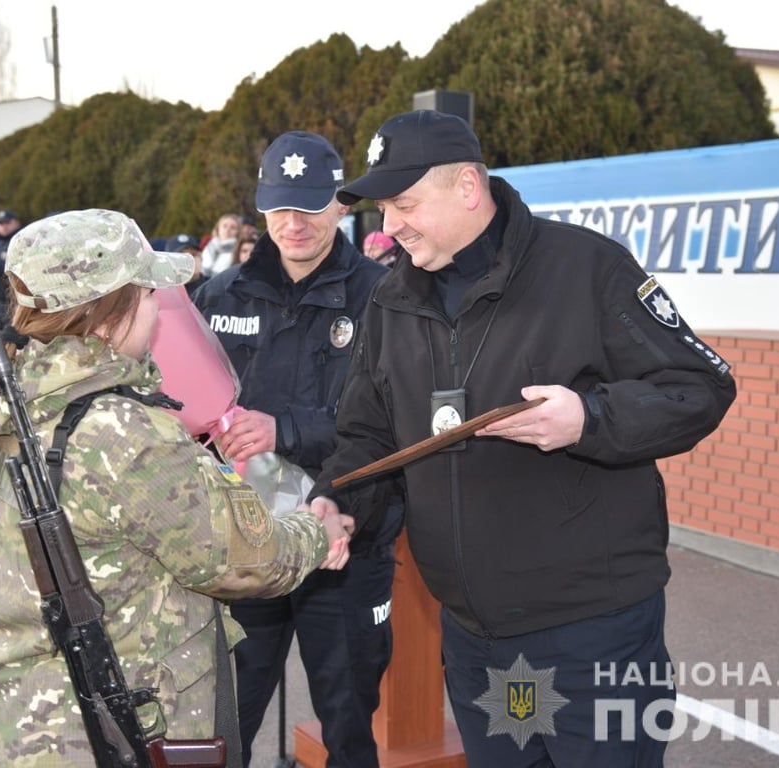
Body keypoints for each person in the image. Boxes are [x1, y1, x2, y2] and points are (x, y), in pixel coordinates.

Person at [310, 110, 738, 768]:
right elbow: (364, 435)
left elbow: (699, 387)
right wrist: (335, 506)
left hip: (592, 639)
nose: (387, 227)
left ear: (467, 187)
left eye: (402, 204)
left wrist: (587, 420)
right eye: (381, 209)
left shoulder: (586, 268)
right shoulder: (390, 300)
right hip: (476, 643)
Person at [0, 207, 353, 768]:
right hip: (122, 724)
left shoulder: (14, 400)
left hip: (27, 720)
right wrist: (317, 528)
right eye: (147, 297)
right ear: (112, 312)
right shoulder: (122, 432)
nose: (158, 313)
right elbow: (245, 560)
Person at [193, 131, 401, 767]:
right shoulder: (218, 295)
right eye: (281, 206)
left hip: (344, 540)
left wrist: (284, 429)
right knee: (224, 724)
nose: (294, 223)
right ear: (261, 207)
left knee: (347, 724)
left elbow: (395, 423)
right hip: (246, 544)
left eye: (311, 205)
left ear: (341, 205)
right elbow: (180, 404)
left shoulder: (386, 296)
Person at [201, 212, 241, 277]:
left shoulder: (238, 251)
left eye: (233, 227)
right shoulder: (209, 246)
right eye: (224, 226)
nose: (228, 230)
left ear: (238, 232)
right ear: (218, 229)